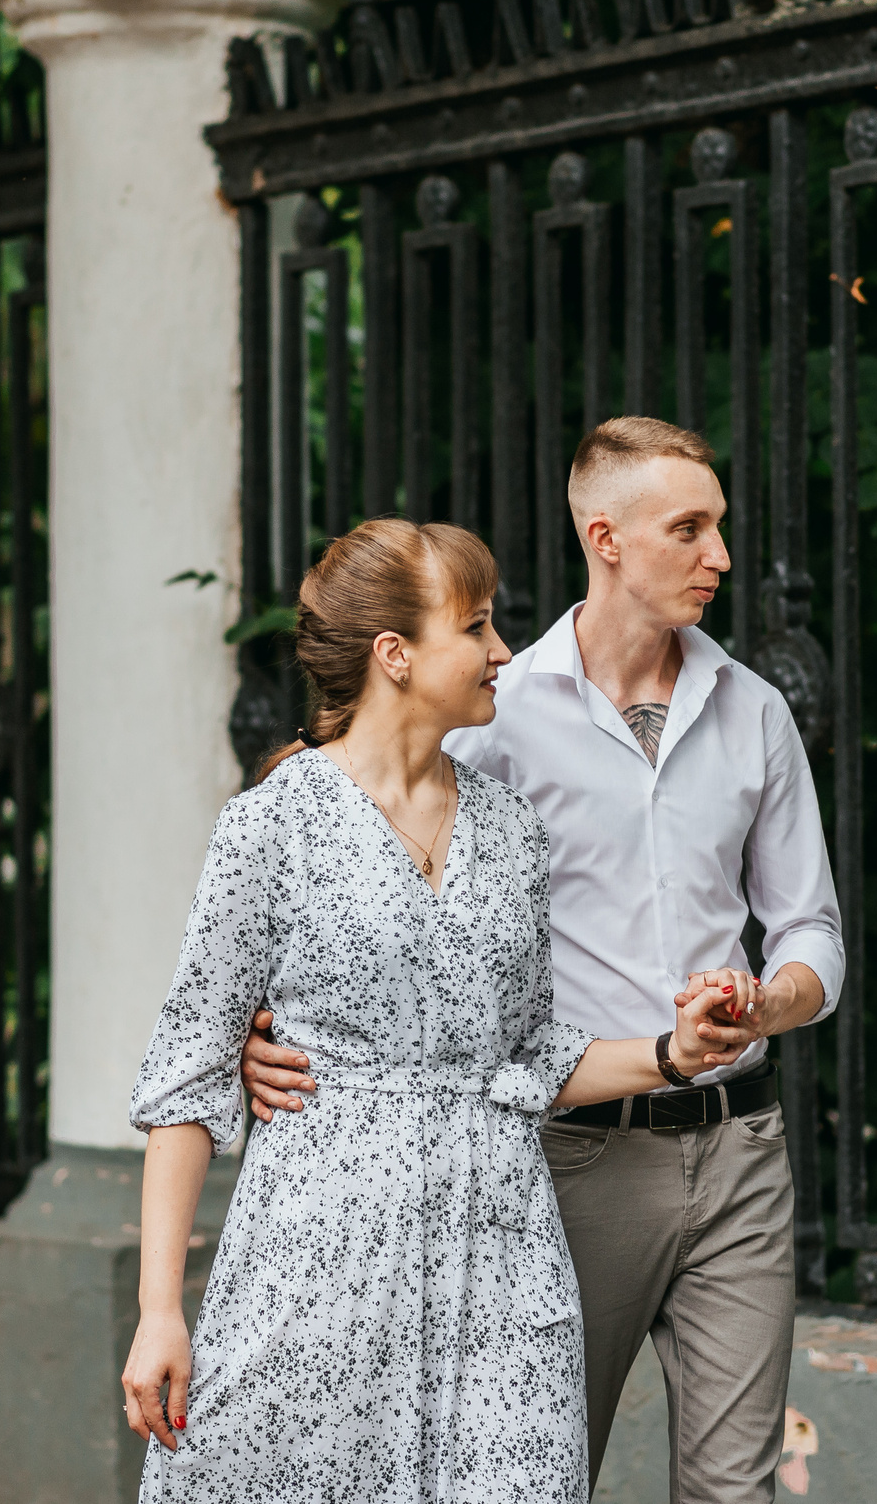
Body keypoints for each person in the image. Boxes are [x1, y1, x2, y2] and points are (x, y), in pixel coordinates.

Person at [246, 419, 843, 1504]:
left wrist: (769, 1000)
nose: (720, 555)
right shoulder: (492, 709)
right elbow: (349, 838)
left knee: (737, 1489)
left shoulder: (755, 711)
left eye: (718, 526)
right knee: (532, 1474)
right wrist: (266, 1023)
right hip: (566, 1160)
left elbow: (811, 928)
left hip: (740, 1148)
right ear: (604, 536)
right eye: (690, 528)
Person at [119, 516, 756, 1503]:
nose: (503, 650)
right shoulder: (270, 825)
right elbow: (191, 1066)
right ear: (396, 654)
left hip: (500, 1268)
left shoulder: (511, 829)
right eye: (478, 625)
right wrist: (161, 1308)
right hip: (317, 1270)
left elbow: (529, 1050)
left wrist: (672, 1052)